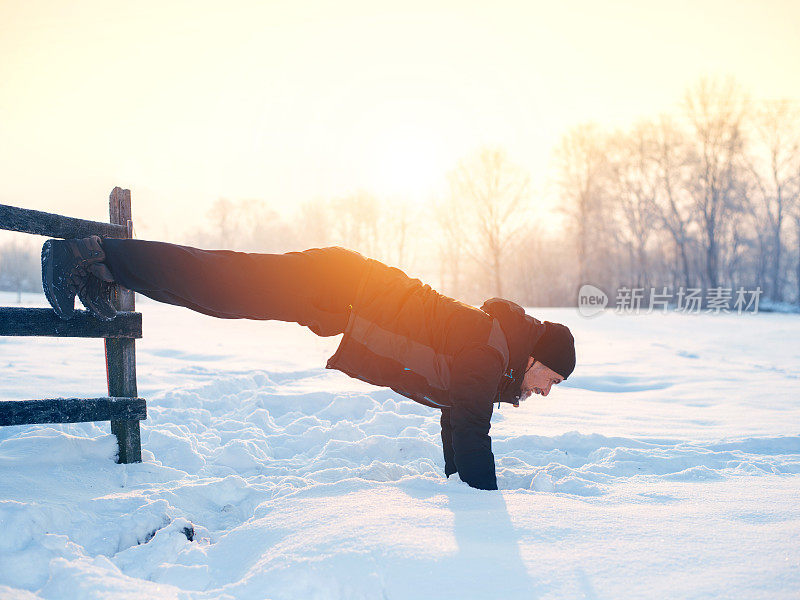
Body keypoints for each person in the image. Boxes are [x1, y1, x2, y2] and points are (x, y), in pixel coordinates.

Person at [41, 235, 576, 490]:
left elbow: (457, 416)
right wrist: (482, 500)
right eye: (549, 379)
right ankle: (88, 254)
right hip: (341, 287)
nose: (544, 392)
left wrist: (460, 484)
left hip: (342, 295)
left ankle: (104, 270)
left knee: (220, 297)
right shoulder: (489, 347)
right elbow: (470, 425)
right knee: (221, 282)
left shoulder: (492, 352)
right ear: (536, 355)